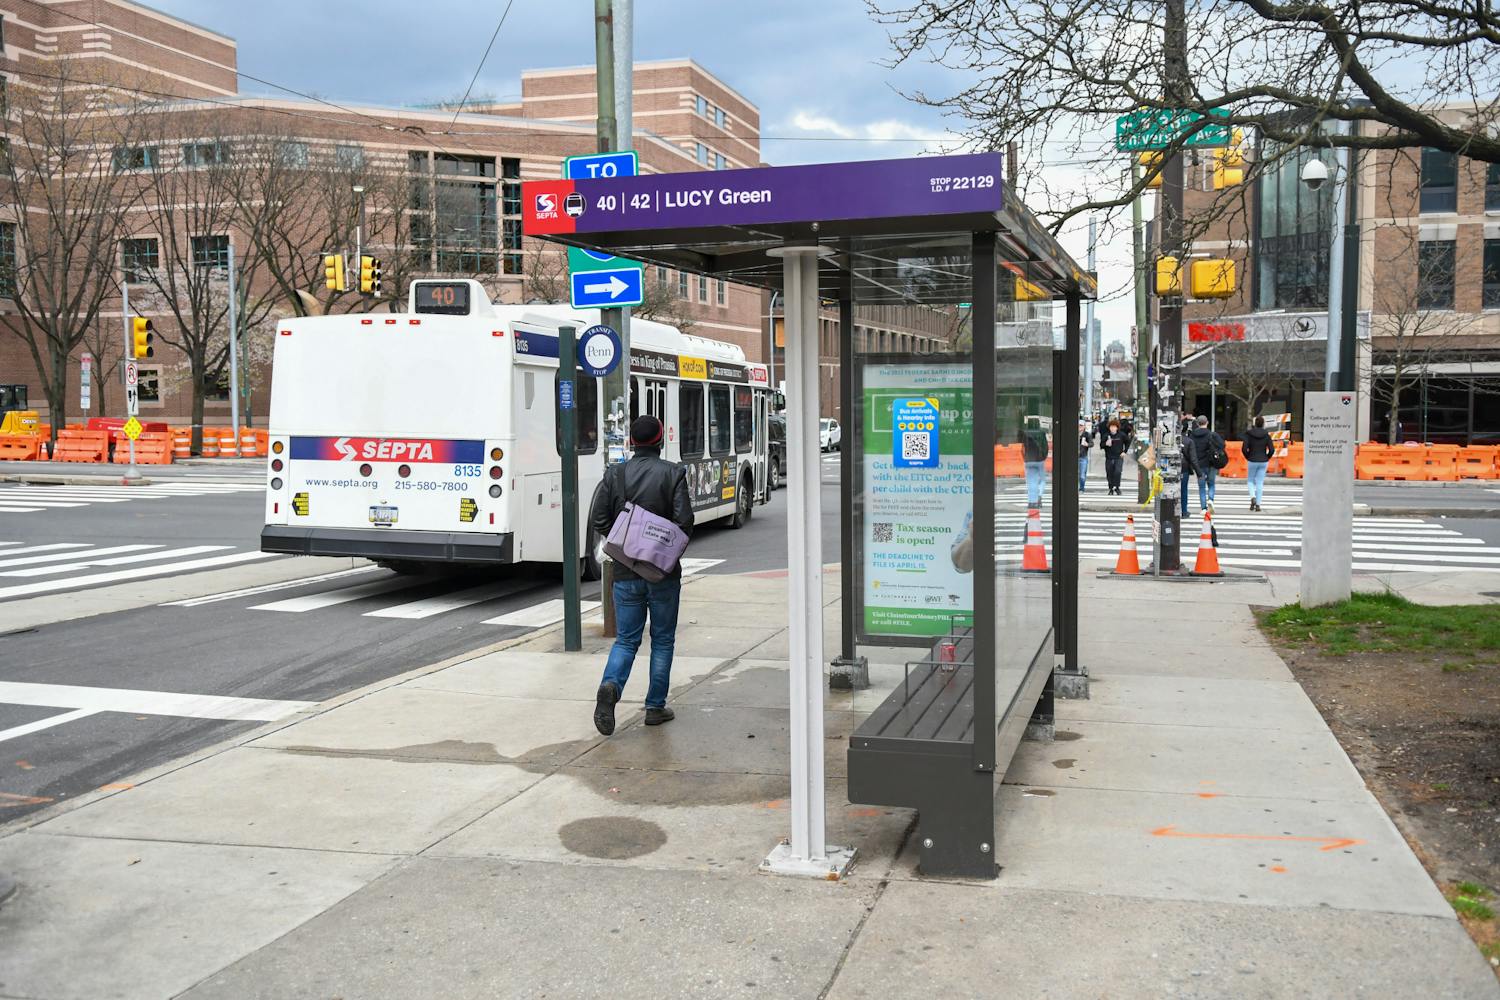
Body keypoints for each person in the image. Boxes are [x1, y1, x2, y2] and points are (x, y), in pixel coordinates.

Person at [590, 415, 695, 736]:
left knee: (627, 640)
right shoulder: (673, 473)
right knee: (662, 640)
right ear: (660, 440)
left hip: (624, 571)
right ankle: (655, 707)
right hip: (662, 573)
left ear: (631, 442)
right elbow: (684, 522)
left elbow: (599, 519)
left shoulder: (615, 475)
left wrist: (626, 544)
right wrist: (658, 549)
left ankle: (610, 686)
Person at [1183, 414, 1224, 513]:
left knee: (1201, 487)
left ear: (1197, 423)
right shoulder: (1212, 434)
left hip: (1199, 464)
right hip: (1211, 463)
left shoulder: (1192, 435)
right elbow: (1222, 445)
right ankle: (1210, 499)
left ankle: (1204, 508)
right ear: (1207, 423)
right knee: (1211, 484)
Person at [1242, 415, 1274, 511]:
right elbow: (1272, 449)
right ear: (1263, 424)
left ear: (1255, 424)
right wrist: (1267, 457)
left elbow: (1244, 448)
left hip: (1252, 459)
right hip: (1263, 460)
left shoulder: (1249, 434)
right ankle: (1258, 505)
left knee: (1250, 480)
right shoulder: (1267, 435)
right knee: (1259, 482)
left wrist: (1248, 456)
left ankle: (1253, 497)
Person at [1022, 419, 1049, 508]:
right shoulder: (1041, 433)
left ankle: (1031, 501)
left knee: (1030, 481)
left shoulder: (1024, 433)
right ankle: (1039, 496)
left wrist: (1024, 457)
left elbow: (1022, 447)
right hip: (1039, 460)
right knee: (1042, 480)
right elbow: (1045, 446)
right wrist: (1044, 456)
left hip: (1028, 459)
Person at [1100, 418, 1129, 495]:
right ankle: (1111, 488)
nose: (1112, 428)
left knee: (1118, 471)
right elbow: (1101, 445)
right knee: (1109, 472)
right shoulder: (1106, 435)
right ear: (1109, 427)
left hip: (1118, 456)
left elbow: (1127, 442)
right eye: (1111, 427)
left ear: (1117, 427)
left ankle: (1117, 487)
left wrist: (1124, 451)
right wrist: (1106, 444)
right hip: (1109, 457)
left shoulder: (1121, 435)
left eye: (1114, 426)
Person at [1078, 420, 1093, 492]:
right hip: (1074, 457)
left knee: (1082, 475)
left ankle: (1081, 488)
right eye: (1078, 425)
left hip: (1083, 456)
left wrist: (1087, 444)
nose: (1079, 427)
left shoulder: (1087, 434)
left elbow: (1091, 444)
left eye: (1081, 425)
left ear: (1084, 426)